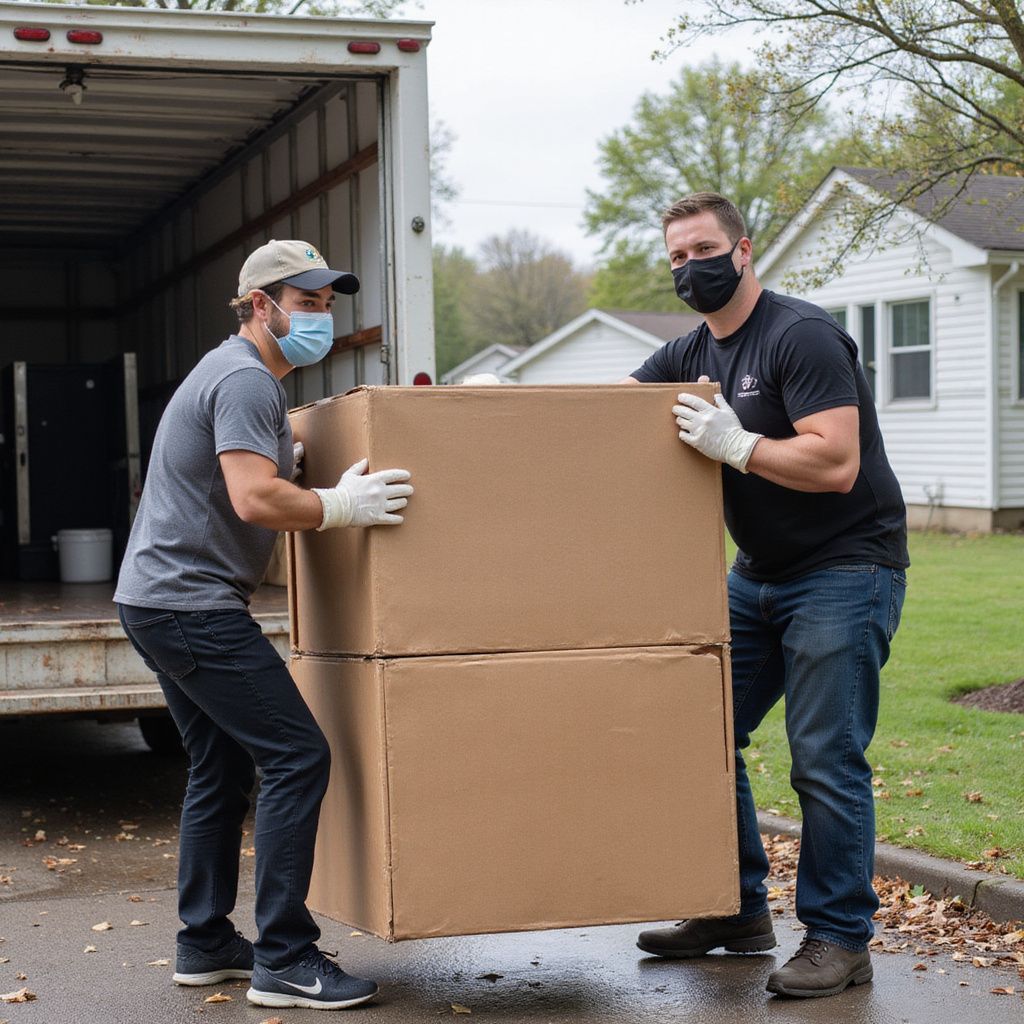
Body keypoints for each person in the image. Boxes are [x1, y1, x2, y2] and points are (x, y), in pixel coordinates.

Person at [115, 239, 414, 1012]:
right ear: (262, 305)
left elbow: (249, 469)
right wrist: (337, 507)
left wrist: (297, 458)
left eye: (326, 302)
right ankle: (284, 955)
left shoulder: (238, 379)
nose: (321, 316)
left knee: (220, 766)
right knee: (297, 754)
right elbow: (254, 499)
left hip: (158, 598)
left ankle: (206, 941)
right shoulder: (247, 378)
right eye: (306, 301)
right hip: (190, 604)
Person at [626, 193, 908, 999]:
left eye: (704, 249)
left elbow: (836, 462)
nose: (691, 267)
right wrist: (494, 404)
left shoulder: (800, 335)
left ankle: (840, 937)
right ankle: (738, 910)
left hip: (846, 569)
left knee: (823, 754)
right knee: (699, 729)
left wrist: (740, 446)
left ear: (743, 251)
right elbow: (606, 416)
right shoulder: (687, 351)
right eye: (677, 257)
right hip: (759, 573)